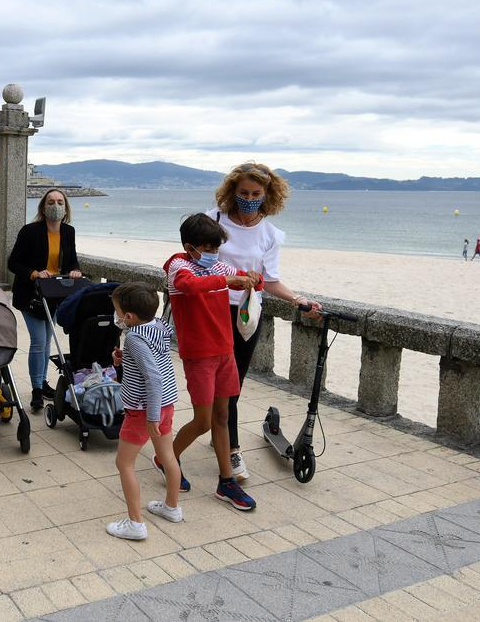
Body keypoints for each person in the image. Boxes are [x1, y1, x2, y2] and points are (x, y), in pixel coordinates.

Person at [207, 163, 322, 481]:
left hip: (247, 314)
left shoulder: (270, 234)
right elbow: (198, 264)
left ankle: (224, 439)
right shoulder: (213, 221)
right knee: (214, 384)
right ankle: (230, 449)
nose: (248, 198)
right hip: (213, 311)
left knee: (233, 385)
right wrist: (235, 278)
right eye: (243, 193)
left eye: (256, 194)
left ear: (267, 195)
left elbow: (270, 281)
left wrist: (298, 299)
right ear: (232, 191)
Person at [159, 213, 265, 511]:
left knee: (221, 417)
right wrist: (231, 279)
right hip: (199, 356)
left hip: (225, 352)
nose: (213, 254)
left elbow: (242, 281)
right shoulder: (178, 266)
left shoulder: (218, 266)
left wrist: (252, 280)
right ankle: (166, 458)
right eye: (208, 248)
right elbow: (191, 286)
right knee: (203, 421)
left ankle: (226, 481)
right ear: (190, 246)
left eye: (216, 248)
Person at [106, 282, 183, 541]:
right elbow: (154, 359)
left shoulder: (135, 338)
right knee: (168, 457)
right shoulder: (159, 326)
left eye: (118, 312)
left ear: (128, 317)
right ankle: (172, 508)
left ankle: (135, 524)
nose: (116, 316)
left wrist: (150, 416)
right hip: (167, 404)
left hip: (143, 410)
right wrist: (124, 357)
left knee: (124, 463)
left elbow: (153, 377)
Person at [7, 189, 82, 411]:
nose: (56, 205)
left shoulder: (69, 232)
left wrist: (75, 270)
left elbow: (72, 261)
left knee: (48, 341)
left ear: (65, 207)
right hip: (31, 295)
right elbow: (14, 263)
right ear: (43, 207)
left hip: (54, 295)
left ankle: (42, 382)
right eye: (51, 202)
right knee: (39, 342)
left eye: (60, 202)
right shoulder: (30, 231)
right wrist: (35, 273)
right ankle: (36, 390)